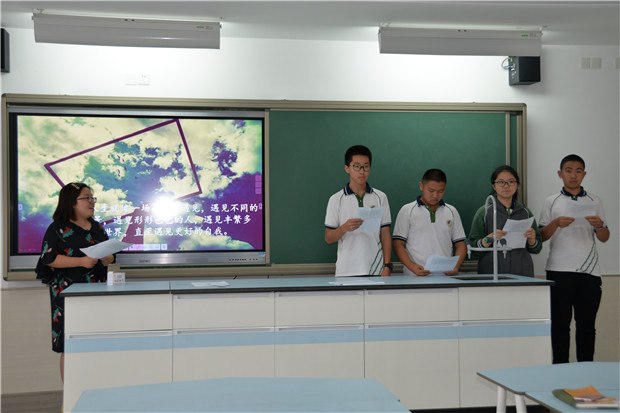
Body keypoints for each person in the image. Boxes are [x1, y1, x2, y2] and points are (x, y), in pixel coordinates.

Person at [35, 182, 115, 381]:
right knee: (70, 344)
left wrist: (109, 258)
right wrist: (81, 261)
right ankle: (70, 395)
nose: (92, 202)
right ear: (71, 202)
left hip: (98, 292)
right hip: (68, 294)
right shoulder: (57, 228)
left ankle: (94, 388)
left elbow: (109, 252)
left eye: (92, 198)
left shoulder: (97, 227)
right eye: (86, 198)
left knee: (97, 342)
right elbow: (48, 258)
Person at [539, 154, 610, 364]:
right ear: (560, 174)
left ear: (584, 174)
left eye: (578, 171)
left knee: (587, 326)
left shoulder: (595, 201)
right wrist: (556, 223)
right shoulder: (551, 201)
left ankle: (585, 372)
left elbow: (604, 237)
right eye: (568, 170)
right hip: (559, 270)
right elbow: (541, 236)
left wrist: (599, 225)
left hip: (589, 272)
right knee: (560, 326)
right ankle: (560, 371)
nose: (573, 175)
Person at [324, 145, 392, 276]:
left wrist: (388, 266)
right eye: (356, 166)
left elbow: (385, 234)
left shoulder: (380, 197)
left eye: (366, 166)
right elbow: (328, 238)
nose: (362, 171)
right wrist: (344, 228)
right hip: (346, 271)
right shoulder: (336, 199)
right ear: (347, 168)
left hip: (376, 269)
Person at [468, 165, 542, 276]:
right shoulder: (484, 212)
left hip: (522, 274)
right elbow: (473, 251)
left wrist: (532, 240)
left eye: (511, 182)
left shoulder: (526, 212)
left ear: (517, 185)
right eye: (501, 182)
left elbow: (536, 249)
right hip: (492, 274)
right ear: (494, 186)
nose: (506, 186)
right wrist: (489, 239)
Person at [393, 168, 467, 276]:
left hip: (445, 277)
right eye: (431, 191)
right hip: (414, 277)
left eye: (440, 191)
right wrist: (412, 266)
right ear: (421, 186)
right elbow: (398, 244)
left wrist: (456, 266)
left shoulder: (452, 211)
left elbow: (460, 245)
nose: (435, 195)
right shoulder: (407, 210)